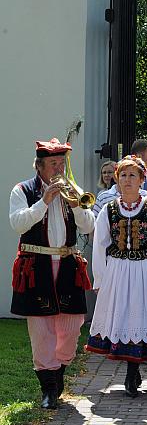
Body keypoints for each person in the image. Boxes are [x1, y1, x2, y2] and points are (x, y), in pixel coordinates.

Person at [10, 138, 95, 409]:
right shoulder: (23, 190)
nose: (59, 169)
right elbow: (17, 223)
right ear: (40, 166)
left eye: (62, 163)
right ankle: (48, 388)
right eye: (53, 164)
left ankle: (57, 373)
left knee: (72, 327)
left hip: (67, 263)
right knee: (42, 329)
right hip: (37, 265)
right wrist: (44, 202)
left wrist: (76, 207)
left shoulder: (74, 191)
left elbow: (89, 225)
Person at [86, 156, 147, 398]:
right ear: (117, 179)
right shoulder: (108, 209)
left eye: (133, 175)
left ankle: (133, 371)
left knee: (141, 317)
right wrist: (100, 278)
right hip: (118, 270)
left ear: (142, 180)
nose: (128, 180)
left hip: (145, 270)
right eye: (123, 175)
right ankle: (132, 371)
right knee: (124, 319)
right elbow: (99, 245)